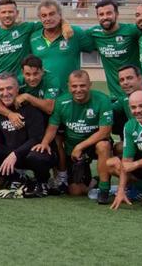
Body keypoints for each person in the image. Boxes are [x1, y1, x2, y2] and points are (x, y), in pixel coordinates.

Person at [36, 70, 115, 203]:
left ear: (90, 84)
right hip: (72, 148)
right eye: (74, 86)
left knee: (104, 145)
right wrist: (44, 143)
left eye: (82, 85)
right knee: (75, 191)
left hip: (93, 144)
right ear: (68, 86)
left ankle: (104, 189)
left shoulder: (102, 99)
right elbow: (52, 128)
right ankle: (93, 182)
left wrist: (80, 146)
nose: (78, 89)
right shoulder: (61, 102)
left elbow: (105, 132)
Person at [0, 73, 53, 198]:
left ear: (17, 89)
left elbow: (36, 139)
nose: (5, 93)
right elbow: (0, 138)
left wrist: (16, 154)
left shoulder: (30, 108)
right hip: (11, 154)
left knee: (38, 156)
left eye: (9, 88)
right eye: (1, 89)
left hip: (29, 153)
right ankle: (18, 179)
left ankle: (42, 182)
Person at [0, 0, 45, 81]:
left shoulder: (26, 28)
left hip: (20, 83)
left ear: (17, 13)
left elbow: (49, 22)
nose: (7, 15)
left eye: (10, 12)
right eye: (3, 12)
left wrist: (64, 24)